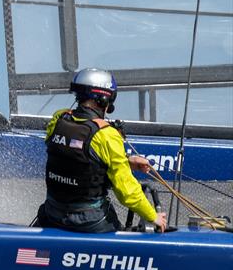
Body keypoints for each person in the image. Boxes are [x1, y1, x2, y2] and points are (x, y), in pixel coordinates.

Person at [35, 68, 167, 233]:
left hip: (52, 214)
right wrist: (152, 216)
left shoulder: (58, 119)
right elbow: (127, 192)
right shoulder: (106, 135)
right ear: (104, 100)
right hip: (89, 221)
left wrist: (127, 162)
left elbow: (76, 157)